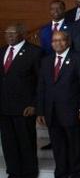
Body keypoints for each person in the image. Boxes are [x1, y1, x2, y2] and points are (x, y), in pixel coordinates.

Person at [37, 30, 80, 178]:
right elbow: (41, 87)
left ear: (68, 42)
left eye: (61, 40)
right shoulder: (46, 61)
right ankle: (61, 171)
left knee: (75, 144)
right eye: (54, 40)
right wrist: (40, 111)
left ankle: (78, 172)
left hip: (72, 110)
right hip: (51, 111)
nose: (57, 43)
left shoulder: (78, 58)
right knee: (58, 144)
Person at [1, 23, 41, 178]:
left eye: (13, 33)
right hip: (4, 107)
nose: (9, 36)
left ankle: (29, 172)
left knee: (26, 141)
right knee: (8, 142)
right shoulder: (2, 51)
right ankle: (13, 171)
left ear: (23, 34)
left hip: (25, 107)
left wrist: (34, 104)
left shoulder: (34, 52)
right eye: (7, 33)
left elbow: (41, 81)